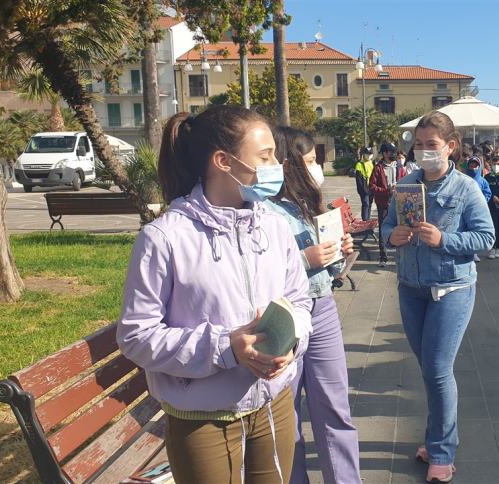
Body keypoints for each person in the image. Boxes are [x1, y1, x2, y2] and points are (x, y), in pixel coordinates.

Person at [117, 106, 313, 482]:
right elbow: (137, 336)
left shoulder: (274, 228)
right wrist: (226, 347)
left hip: (274, 406)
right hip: (202, 419)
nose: (277, 165)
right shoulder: (164, 238)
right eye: (265, 156)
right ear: (223, 161)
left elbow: (299, 301)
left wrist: (291, 343)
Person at [382, 111, 494, 483]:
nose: (425, 152)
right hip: (411, 287)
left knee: (437, 369)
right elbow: (387, 226)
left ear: (450, 146)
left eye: (432, 145)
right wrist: (391, 236)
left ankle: (443, 451)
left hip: (452, 288)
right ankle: (435, 439)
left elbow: (486, 237)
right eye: (419, 145)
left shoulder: (466, 188)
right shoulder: (406, 184)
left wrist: (444, 240)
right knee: (430, 369)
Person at [266, 127, 361, 484]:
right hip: (284, 315)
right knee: (286, 414)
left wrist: (342, 253)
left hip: (322, 307)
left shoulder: (306, 202)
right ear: (288, 164)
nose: (316, 167)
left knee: (334, 406)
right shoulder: (262, 209)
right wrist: (305, 259)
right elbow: (256, 273)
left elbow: (332, 270)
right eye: (309, 161)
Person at [370, 142, 407, 267]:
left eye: (395, 152)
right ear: (385, 153)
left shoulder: (399, 167)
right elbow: (372, 187)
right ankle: (383, 256)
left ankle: (398, 255)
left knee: (401, 228)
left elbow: (406, 180)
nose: (394, 155)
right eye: (391, 152)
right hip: (384, 204)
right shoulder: (378, 168)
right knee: (383, 229)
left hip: (399, 203)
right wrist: (386, 191)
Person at [354, 146, 375, 220]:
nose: (368, 156)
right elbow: (358, 179)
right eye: (367, 154)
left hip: (372, 187)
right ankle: (365, 221)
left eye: (370, 154)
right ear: (363, 154)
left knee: (369, 205)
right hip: (364, 188)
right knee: (366, 204)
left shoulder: (372, 163)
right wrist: (363, 189)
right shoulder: (359, 164)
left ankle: (368, 220)